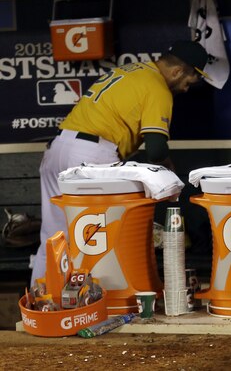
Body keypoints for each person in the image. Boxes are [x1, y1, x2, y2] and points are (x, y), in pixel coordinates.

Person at [32, 40, 208, 286]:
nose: (187, 89)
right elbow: (156, 150)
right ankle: (104, 302)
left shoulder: (129, 70)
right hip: (92, 158)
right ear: (177, 71)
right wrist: (168, 167)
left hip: (58, 148)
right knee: (101, 238)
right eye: (188, 81)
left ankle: (42, 303)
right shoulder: (157, 87)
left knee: (53, 236)